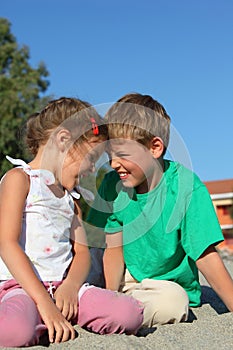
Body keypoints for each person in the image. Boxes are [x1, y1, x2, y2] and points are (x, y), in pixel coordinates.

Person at [0, 97, 144, 347]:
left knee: (129, 314)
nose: (91, 169)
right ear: (64, 139)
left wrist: (71, 286)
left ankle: (53, 318)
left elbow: (81, 252)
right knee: (13, 332)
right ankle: (41, 316)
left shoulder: (71, 198)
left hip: (64, 289)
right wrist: (44, 302)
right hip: (23, 287)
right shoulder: (19, 180)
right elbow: (7, 243)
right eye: (91, 158)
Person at [86, 92, 233, 328]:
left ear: (155, 147)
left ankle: (112, 312)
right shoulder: (112, 186)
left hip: (166, 285)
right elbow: (111, 248)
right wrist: (110, 295)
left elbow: (205, 255)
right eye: (110, 155)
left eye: (122, 154)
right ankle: (108, 307)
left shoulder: (186, 188)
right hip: (124, 277)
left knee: (173, 303)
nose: (113, 164)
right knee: (85, 256)